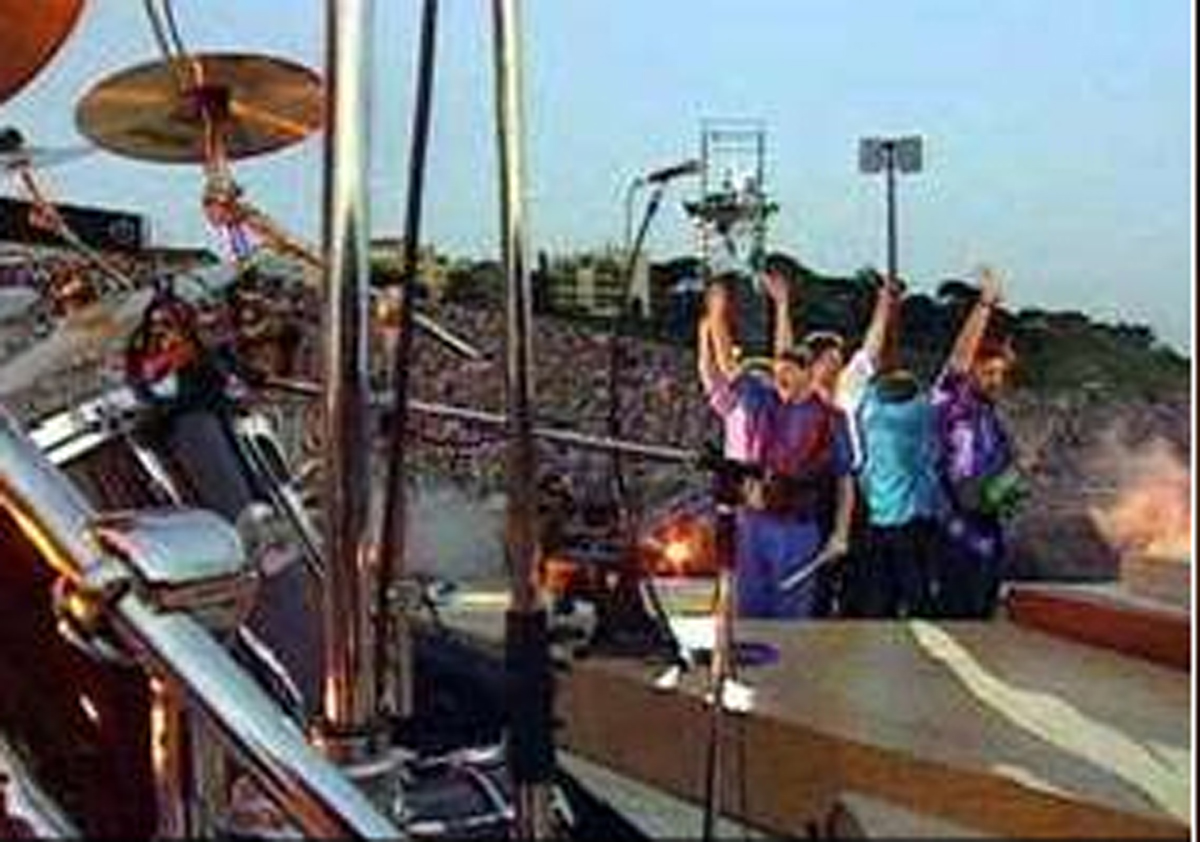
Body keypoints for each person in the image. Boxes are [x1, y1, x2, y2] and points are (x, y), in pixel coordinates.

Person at [699, 274, 855, 618]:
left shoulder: (831, 418)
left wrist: (841, 532)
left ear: (807, 374)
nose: (779, 379)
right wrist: (717, 318)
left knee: (790, 615)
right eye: (777, 374)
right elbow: (728, 365)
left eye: (787, 374)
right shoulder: (765, 399)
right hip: (753, 520)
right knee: (749, 611)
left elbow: (845, 479)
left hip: (797, 524)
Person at [931, 266, 1024, 618]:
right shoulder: (951, 401)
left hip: (988, 530)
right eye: (988, 372)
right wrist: (984, 305)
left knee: (982, 615)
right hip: (952, 528)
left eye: (1000, 373)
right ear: (971, 371)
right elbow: (958, 358)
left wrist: (1013, 484)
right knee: (953, 617)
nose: (996, 380)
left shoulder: (992, 419)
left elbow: (1005, 480)